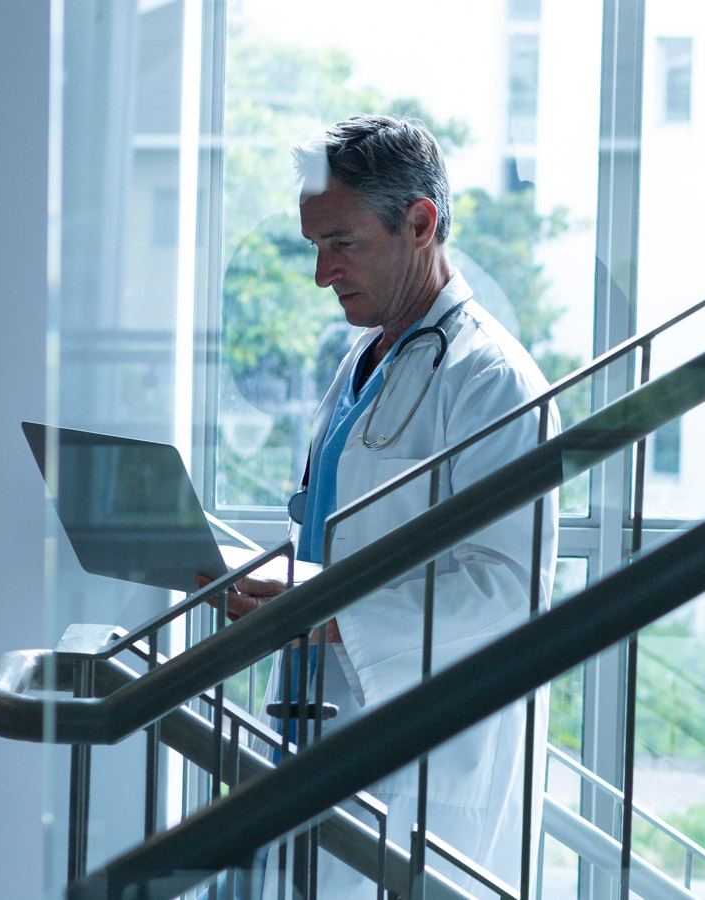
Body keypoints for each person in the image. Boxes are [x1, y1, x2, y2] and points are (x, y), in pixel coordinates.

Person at [219, 114, 555, 895]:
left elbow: (510, 593)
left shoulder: (491, 381)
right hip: (325, 718)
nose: (321, 273)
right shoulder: (365, 360)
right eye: (314, 246)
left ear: (420, 223)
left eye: (342, 243)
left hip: (425, 762)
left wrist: (332, 615)